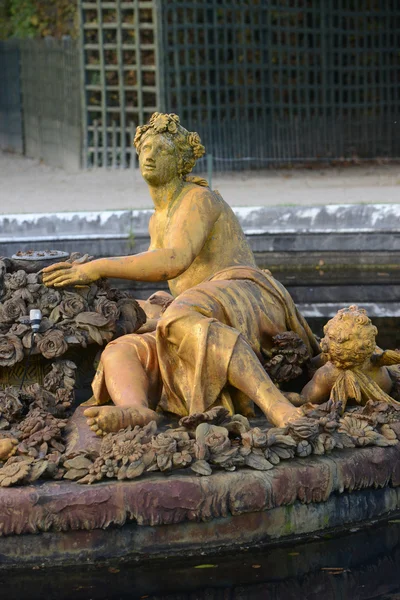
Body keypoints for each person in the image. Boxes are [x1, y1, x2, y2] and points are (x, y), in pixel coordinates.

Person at [43, 112, 319, 435]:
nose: (150, 155)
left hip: (246, 296)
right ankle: (136, 408)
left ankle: (277, 406)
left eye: (161, 150)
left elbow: (173, 260)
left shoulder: (198, 199)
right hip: (196, 311)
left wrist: (97, 267)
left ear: (179, 161)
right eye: (145, 148)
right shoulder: (157, 219)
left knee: (177, 317)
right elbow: (150, 261)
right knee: (120, 349)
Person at [286, 305, 400, 411]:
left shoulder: (327, 375)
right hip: (386, 392)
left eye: (328, 335)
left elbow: (305, 399)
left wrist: (279, 393)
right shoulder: (373, 356)